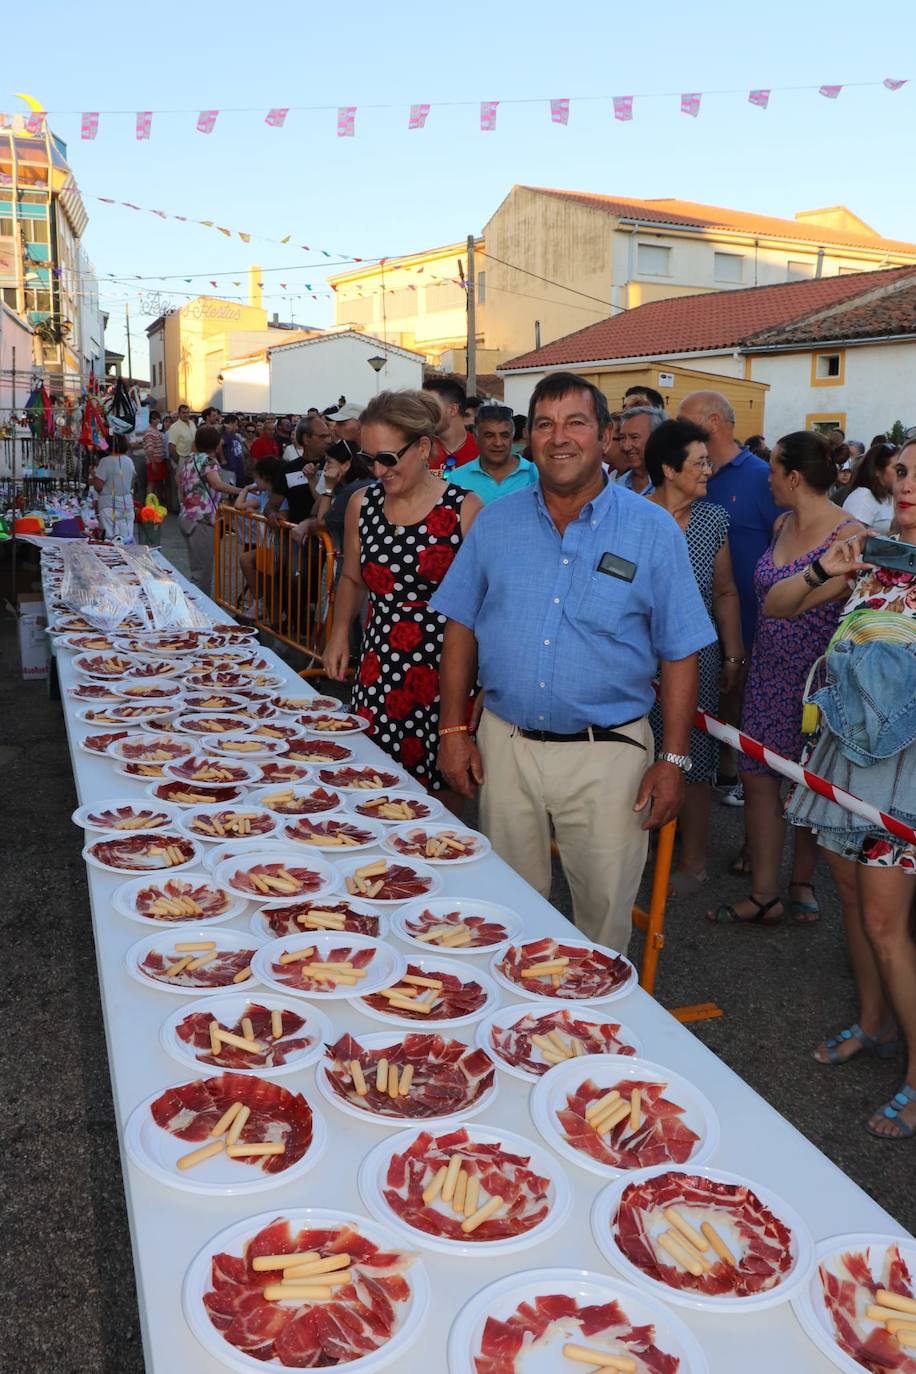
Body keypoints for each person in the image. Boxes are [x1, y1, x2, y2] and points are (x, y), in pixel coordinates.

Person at [432, 372, 715, 953]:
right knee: (508, 916)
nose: (559, 438)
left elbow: (681, 651)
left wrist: (675, 761)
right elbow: (460, 626)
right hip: (505, 749)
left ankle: (591, 1039)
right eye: (544, 425)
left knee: (603, 925)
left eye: (576, 423)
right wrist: (453, 729)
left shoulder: (653, 530)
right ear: (526, 439)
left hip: (609, 759)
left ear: (606, 435)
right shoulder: (496, 522)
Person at [766, 441, 916, 1139]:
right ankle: (875, 1022)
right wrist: (830, 564)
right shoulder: (871, 550)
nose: (909, 482)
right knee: (851, 901)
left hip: (903, 773)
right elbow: (779, 603)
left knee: (888, 925)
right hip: (841, 753)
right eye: (906, 469)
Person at [708, 430, 864, 927]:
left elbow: (788, 605)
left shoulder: (852, 536)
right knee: (758, 780)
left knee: (810, 788)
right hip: (768, 673)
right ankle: (765, 893)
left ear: (793, 477)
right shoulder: (779, 523)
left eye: (773, 469)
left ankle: (801, 881)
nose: (767, 477)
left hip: (817, 684)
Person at [323, 390, 482, 795]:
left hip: (445, 680)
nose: (377, 470)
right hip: (379, 670)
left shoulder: (465, 510)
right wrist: (339, 634)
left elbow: (484, 606)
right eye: (368, 459)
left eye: (388, 459)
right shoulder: (364, 504)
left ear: (423, 447)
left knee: (439, 809)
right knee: (370, 791)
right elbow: (353, 577)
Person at [644, 419, 745, 896]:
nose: (709, 469)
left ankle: (693, 859)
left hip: (697, 657)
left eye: (709, 460)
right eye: (700, 462)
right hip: (637, 658)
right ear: (669, 468)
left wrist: (733, 653)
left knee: (695, 759)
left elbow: (724, 591)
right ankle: (640, 848)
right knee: (639, 750)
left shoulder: (711, 520)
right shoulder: (633, 515)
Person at [678, 390, 784, 812]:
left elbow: (785, 540)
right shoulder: (686, 473)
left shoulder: (760, 477)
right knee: (704, 711)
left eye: (684, 418)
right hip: (698, 622)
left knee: (742, 711)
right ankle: (714, 778)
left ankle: (737, 789)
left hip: (750, 622)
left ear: (713, 422)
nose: (678, 426)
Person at [177, 423, 241, 596]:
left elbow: (180, 485)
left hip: (187, 516)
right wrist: (242, 491)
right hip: (201, 520)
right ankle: (199, 612)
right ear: (215, 443)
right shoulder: (209, 461)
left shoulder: (190, 459)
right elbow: (216, 484)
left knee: (197, 568)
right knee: (202, 573)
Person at [450, 402, 538, 504]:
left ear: (512, 437)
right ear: (476, 437)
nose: (498, 443)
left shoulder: (535, 475)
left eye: (504, 435)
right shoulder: (457, 479)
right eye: (489, 435)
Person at [234, 456, 289, 618]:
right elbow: (238, 506)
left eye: (256, 478)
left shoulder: (279, 498)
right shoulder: (263, 496)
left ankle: (270, 610)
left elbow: (283, 520)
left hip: (277, 546)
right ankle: (263, 604)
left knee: (267, 577)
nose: (254, 481)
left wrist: (266, 517)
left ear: (265, 478)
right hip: (266, 545)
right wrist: (245, 489)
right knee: (257, 569)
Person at [279, 415, 332, 524]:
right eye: (322, 436)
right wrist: (272, 514)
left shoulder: (333, 465)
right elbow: (272, 504)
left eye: (328, 435)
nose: (328, 440)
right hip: (296, 537)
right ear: (306, 439)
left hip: (326, 537)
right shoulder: (288, 469)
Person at [423, 376, 479, 472]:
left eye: (431, 406)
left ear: (452, 410)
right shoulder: (421, 450)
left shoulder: (481, 451)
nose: (424, 412)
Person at [841, 443, 897, 533]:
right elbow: (852, 538)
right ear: (877, 470)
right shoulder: (863, 497)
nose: (901, 473)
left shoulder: (889, 496)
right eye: (896, 468)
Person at [91, 433, 135, 541]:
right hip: (126, 505)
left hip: (109, 506)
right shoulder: (129, 461)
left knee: (110, 540)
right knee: (126, 539)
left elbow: (98, 486)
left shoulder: (105, 462)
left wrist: (94, 477)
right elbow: (132, 483)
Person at [618, 406, 664, 493]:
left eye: (634, 437)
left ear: (656, 438)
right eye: (622, 438)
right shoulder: (618, 486)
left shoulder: (673, 485)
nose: (626, 447)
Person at [166, 403, 197, 513]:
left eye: (187, 412)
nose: (186, 415)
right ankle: (183, 510)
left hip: (193, 459)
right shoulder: (174, 427)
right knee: (181, 486)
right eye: (183, 413)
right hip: (182, 458)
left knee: (192, 485)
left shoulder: (192, 424)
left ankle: (191, 508)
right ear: (179, 414)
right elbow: (171, 447)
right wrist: (179, 462)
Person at [140, 410, 168, 502]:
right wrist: (153, 462)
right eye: (154, 418)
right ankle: (149, 504)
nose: (157, 420)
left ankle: (155, 502)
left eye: (158, 418)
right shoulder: (149, 432)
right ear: (151, 420)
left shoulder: (156, 430)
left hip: (159, 460)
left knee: (157, 483)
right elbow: (149, 449)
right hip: (154, 461)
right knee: (152, 483)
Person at [220, 414, 246, 486]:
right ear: (232, 423)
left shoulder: (235, 436)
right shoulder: (225, 435)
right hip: (229, 469)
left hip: (238, 469)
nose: (237, 427)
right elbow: (219, 444)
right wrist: (222, 459)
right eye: (236, 424)